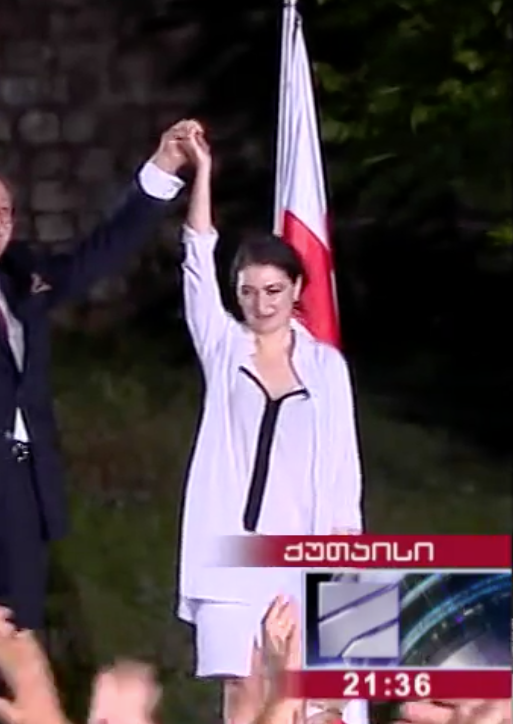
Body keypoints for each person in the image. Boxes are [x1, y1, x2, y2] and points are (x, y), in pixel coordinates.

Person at [0, 105, 195, 702]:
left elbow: (95, 256)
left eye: (3, 212)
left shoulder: (20, 278)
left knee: (12, 663)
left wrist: (161, 170)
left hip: (20, 498)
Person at [173, 124, 364, 724]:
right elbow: (197, 255)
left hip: (304, 549)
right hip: (230, 552)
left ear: (298, 288)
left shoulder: (326, 368)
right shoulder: (223, 348)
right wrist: (203, 172)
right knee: (245, 693)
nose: (261, 303)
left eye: (274, 290)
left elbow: (343, 467)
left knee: (311, 699)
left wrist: (346, 560)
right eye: (249, 291)